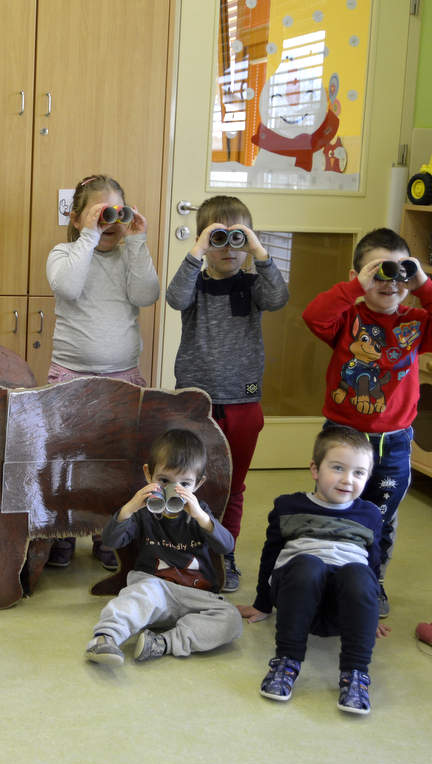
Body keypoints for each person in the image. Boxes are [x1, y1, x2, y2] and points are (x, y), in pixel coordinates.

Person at [302, 227, 432, 616]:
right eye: (378, 272)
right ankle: (328, 572)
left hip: (392, 442)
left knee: (381, 517)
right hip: (343, 436)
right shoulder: (347, 318)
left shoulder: (418, 322)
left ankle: (371, 581)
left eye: (399, 272)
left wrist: (424, 283)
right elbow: (313, 316)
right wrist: (353, 288)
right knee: (334, 506)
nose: (389, 282)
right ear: (357, 275)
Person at [165, 196, 289, 592]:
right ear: (204, 242)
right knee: (188, 482)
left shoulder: (254, 286)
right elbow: (174, 299)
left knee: (233, 485)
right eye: (219, 239)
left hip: (243, 400)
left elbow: (278, 299)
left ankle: (224, 551)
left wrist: (259, 252)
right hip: (194, 401)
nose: (229, 249)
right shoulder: (196, 287)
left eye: (239, 239)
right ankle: (184, 547)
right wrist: (197, 250)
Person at [45, 174, 160, 570]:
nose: (110, 223)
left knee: (115, 463)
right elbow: (69, 288)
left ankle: (107, 534)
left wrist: (138, 241)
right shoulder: (63, 253)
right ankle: (62, 534)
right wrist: (88, 238)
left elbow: (147, 295)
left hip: (122, 378)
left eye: (117, 213)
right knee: (67, 461)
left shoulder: (129, 255)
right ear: (77, 219)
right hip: (70, 377)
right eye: (100, 214)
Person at [237, 426, 389, 715]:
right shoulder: (288, 506)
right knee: (309, 564)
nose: (348, 479)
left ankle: (355, 674)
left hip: (340, 609)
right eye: (338, 468)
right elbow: (270, 555)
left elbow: (373, 564)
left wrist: (367, 613)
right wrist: (262, 602)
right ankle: (286, 662)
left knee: (358, 573)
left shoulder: (369, 514)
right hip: (297, 596)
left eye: (359, 473)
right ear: (315, 469)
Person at [85, 429, 242, 667]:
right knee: (134, 597)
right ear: (149, 475)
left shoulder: (200, 514)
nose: (174, 489)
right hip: (154, 587)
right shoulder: (143, 512)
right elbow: (112, 540)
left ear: (198, 484)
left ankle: (162, 643)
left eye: (185, 484)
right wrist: (129, 509)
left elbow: (226, 546)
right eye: (165, 481)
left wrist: (201, 517)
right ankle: (105, 638)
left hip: (196, 594)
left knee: (231, 619)